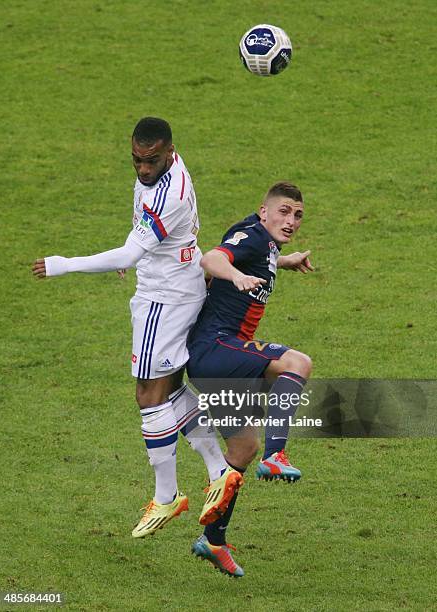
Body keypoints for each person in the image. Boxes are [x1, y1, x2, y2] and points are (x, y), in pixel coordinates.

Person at [32, 117, 243, 539]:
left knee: (148, 395)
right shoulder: (162, 174)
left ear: (170, 152)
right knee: (170, 389)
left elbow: (129, 253)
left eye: (151, 161)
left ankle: (167, 496)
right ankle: (220, 470)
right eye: (136, 160)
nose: (143, 169)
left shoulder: (170, 195)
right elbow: (140, 242)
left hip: (163, 301)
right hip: (175, 285)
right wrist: (144, 256)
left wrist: (63, 265)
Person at [187, 181, 313, 577]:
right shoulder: (255, 236)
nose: (291, 220)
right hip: (216, 350)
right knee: (297, 363)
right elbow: (211, 259)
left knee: (242, 449)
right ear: (264, 211)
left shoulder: (265, 244)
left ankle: (213, 539)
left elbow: (254, 256)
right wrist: (236, 277)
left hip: (215, 360)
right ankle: (278, 456)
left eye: (298, 215)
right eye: (284, 211)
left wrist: (285, 260)